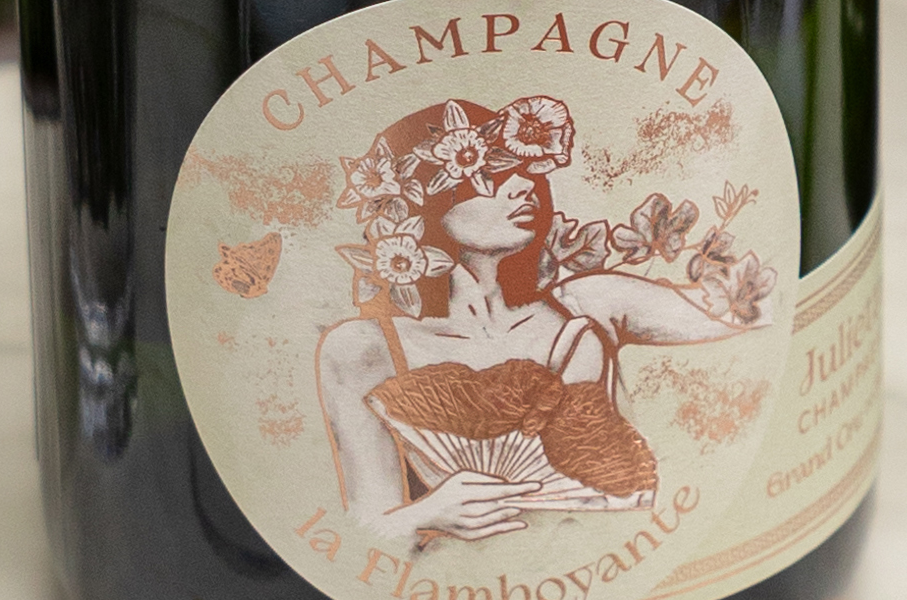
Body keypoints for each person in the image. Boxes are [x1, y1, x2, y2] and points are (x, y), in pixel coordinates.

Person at [311, 93, 748, 548]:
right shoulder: (365, 349)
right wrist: (430, 512)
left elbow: (748, 315)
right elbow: (365, 529)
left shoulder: (586, 305)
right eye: (492, 175)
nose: (523, 187)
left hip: (622, 566)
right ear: (425, 193)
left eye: (528, 172)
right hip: (443, 586)